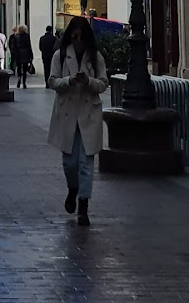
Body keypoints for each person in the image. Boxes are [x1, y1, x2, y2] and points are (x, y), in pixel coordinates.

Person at [47, 16, 109, 226]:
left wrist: (88, 81)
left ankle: (83, 205)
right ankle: (73, 188)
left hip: (88, 113)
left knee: (86, 163)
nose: (78, 42)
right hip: (67, 113)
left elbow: (103, 83)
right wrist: (70, 81)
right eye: (75, 38)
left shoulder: (95, 57)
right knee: (69, 162)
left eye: (81, 38)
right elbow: (52, 81)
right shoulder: (61, 55)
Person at [10, 24, 34, 89]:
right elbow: (29, 45)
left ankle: (19, 78)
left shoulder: (16, 36)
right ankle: (24, 82)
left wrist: (14, 54)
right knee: (25, 68)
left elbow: (14, 46)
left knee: (19, 67)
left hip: (18, 53)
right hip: (25, 53)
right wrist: (31, 55)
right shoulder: (27, 36)